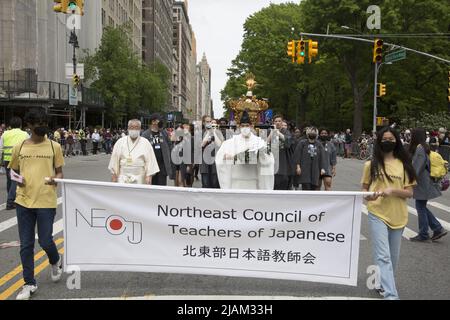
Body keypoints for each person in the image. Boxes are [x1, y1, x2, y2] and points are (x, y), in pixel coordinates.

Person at [8, 108, 65, 300]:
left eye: (44, 123)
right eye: (38, 124)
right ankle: (29, 283)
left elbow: (59, 172)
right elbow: (12, 171)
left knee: (46, 240)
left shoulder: (54, 147)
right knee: (26, 245)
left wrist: (55, 179)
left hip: (46, 200)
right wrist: (18, 179)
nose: (42, 127)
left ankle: (55, 259)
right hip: (23, 200)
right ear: (29, 126)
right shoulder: (20, 147)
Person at [361, 126, 417, 300]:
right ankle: (391, 295)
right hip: (377, 213)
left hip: (398, 215)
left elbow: (409, 193)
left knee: (393, 257)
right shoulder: (370, 165)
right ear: (378, 141)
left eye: (391, 139)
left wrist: (392, 190)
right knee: (383, 255)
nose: (388, 142)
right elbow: (364, 191)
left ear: (397, 141)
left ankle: (379, 282)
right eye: (384, 138)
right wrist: (370, 196)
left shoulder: (405, 165)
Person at [216, 110, 274, 190]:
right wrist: (226, 157)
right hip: (236, 183)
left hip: (253, 183)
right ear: (239, 127)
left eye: (247, 125)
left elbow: (269, 159)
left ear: (251, 126)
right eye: (243, 126)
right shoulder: (230, 142)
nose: (245, 128)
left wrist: (261, 156)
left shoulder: (259, 142)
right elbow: (220, 157)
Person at [408, 128, 448, 242]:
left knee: (420, 207)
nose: (410, 137)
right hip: (423, 182)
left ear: (415, 136)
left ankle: (424, 233)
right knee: (421, 206)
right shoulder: (423, 147)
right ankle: (437, 228)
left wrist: (410, 179)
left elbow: (417, 167)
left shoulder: (420, 148)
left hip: (422, 183)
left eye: (411, 135)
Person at [108, 119, 159, 184]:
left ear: (140, 129)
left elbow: (150, 161)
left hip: (140, 177)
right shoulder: (120, 142)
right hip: (123, 176)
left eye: (136, 127)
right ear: (128, 128)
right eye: (132, 127)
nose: (134, 129)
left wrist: (149, 176)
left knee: (138, 194)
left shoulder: (146, 143)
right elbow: (114, 160)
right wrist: (114, 175)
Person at [0, 117, 29, 210]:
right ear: (20, 125)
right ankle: (10, 202)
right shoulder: (25, 134)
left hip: (7, 160)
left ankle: (11, 197)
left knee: (10, 179)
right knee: (15, 180)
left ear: (10, 125)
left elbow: (1, 148)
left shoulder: (5, 134)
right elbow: (29, 147)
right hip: (19, 160)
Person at [142, 113, 173, 186]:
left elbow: (170, 145)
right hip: (151, 166)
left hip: (162, 166)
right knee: (151, 186)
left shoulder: (164, 133)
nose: (160, 121)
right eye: (159, 120)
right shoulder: (145, 134)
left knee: (161, 187)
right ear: (153, 122)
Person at [269, 115, 292, 190]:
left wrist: (278, 133)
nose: (278, 123)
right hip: (272, 164)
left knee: (283, 185)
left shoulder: (286, 132)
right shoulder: (269, 131)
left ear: (282, 123)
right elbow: (264, 144)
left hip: (283, 165)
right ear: (273, 122)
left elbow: (288, 143)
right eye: (276, 121)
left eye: (279, 121)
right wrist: (272, 133)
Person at [200, 116, 222, 189]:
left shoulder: (218, 132)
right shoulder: (201, 133)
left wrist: (214, 132)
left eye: (210, 121)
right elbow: (201, 145)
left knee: (215, 183)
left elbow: (220, 144)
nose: (209, 123)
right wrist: (208, 132)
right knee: (205, 184)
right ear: (203, 123)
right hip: (204, 163)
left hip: (215, 162)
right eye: (207, 122)